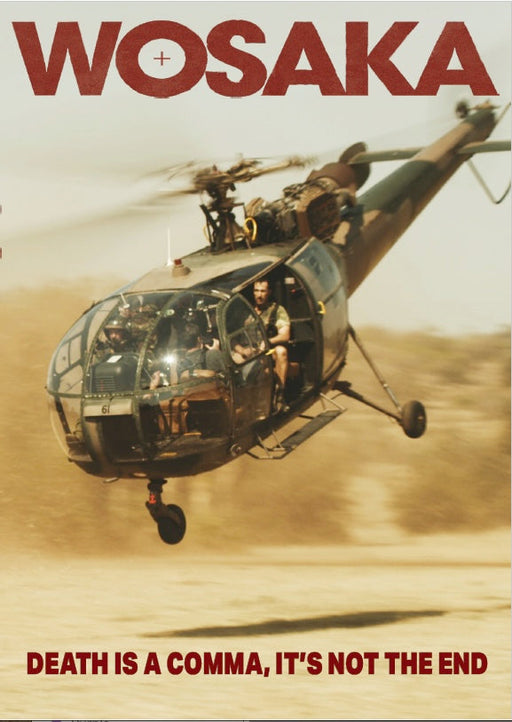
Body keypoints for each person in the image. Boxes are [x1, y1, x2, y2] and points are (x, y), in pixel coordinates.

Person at [251, 279, 290, 390]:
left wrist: (267, 342)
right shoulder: (246, 310)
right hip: (249, 351)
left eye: (263, 291)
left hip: (267, 351)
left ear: (269, 292)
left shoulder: (277, 310)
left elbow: (285, 335)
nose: (259, 295)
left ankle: (280, 391)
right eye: (256, 291)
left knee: (281, 351)